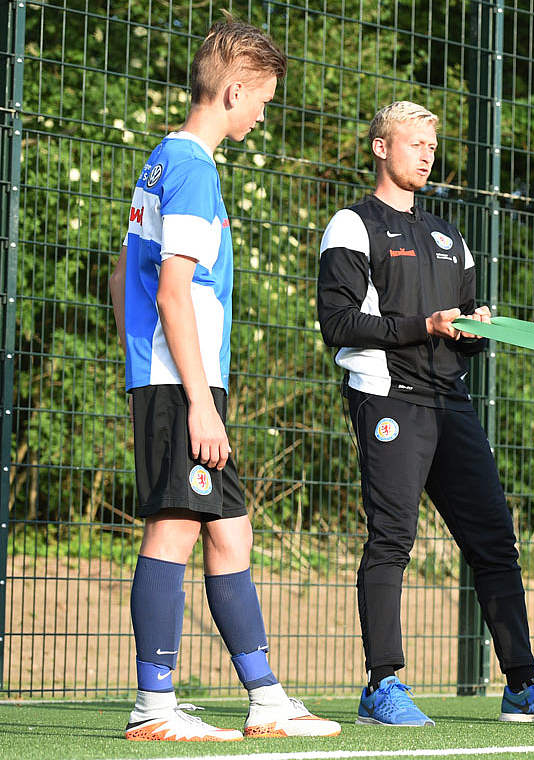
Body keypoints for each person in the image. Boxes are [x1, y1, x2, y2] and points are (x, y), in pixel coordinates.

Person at [109, 16, 340, 742]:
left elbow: (123, 276)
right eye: (264, 100)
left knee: (231, 534)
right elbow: (172, 292)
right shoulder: (193, 168)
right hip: (186, 387)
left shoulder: (164, 161)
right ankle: (154, 707)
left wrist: (142, 370)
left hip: (176, 381)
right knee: (175, 530)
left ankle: (266, 699)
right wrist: (194, 400)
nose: (265, 113)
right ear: (235, 90)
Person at [316, 101, 534, 727]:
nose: (428, 154)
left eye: (433, 145)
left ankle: (520, 684)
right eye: (415, 143)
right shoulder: (351, 226)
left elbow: (463, 323)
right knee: (392, 540)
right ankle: (382, 685)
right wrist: (422, 325)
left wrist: (476, 328)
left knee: (495, 540)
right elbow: (339, 324)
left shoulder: (448, 235)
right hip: (386, 396)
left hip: (449, 400)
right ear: (381, 148)